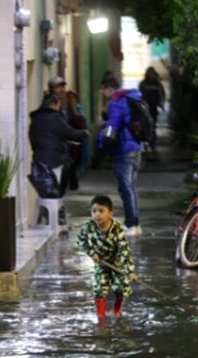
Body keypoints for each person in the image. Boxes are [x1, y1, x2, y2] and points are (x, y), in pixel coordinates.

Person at [76, 195, 138, 318]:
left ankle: (117, 311)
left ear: (110, 213)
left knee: (120, 288)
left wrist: (130, 271)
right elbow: (80, 241)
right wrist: (92, 252)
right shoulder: (88, 227)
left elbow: (124, 249)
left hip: (116, 263)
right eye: (94, 211)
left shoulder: (117, 229)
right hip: (101, 263)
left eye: (101, 211)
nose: (97, 214)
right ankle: (100, 315)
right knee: (100, 289)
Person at [97, 74, 143, 236]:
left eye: (103, 90)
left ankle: (131, 224)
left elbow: (113, 127)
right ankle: (135, 224)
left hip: (123, 149)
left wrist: (101, 135)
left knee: (125, 188)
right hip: (137, 147)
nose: (103, 94)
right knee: (131, 187)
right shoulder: (131, 97)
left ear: (109, 88)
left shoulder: (115, 101)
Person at [29, 92, 89, 200]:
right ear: (53, 104)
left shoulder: (35, 119)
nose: (59, 108)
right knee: (56, 193)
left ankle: (46, 214)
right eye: (58, 105)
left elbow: (32, 139)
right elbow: (70, 133)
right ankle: (55, 215)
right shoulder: (55, 118)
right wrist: (84, 133)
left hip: (39, 162)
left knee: (44, 193)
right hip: (55, 161)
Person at [64, 90, 87, 191]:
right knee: (72, 164)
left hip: (75, 142)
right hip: (72, 141)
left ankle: (73, 184)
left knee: (73, 163)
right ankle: (73, 184)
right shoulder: (68, 111)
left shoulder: (76, 111)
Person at [139, 67, 166, 153]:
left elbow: (162, 94)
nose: (151, 75)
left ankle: (152, 144)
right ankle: (146, 143)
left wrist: (161, 104)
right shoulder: (143, 84)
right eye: (150, 73)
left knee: (153, 126)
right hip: (144, 108)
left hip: (153, 108)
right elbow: (139, 95)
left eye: (152, 74)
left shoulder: (157, 84)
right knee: (145, 126)